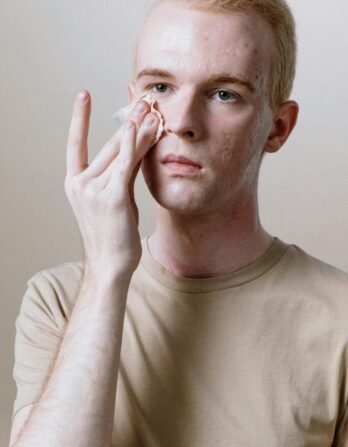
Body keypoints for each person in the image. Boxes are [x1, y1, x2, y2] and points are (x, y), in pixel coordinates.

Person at [9, 0, 348, 446]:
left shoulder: (339, 321)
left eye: (224, 93)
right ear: (133, 107)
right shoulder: (58, 302)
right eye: (161, 87)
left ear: (278, 128)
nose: (184, 123)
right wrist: (107, 271)